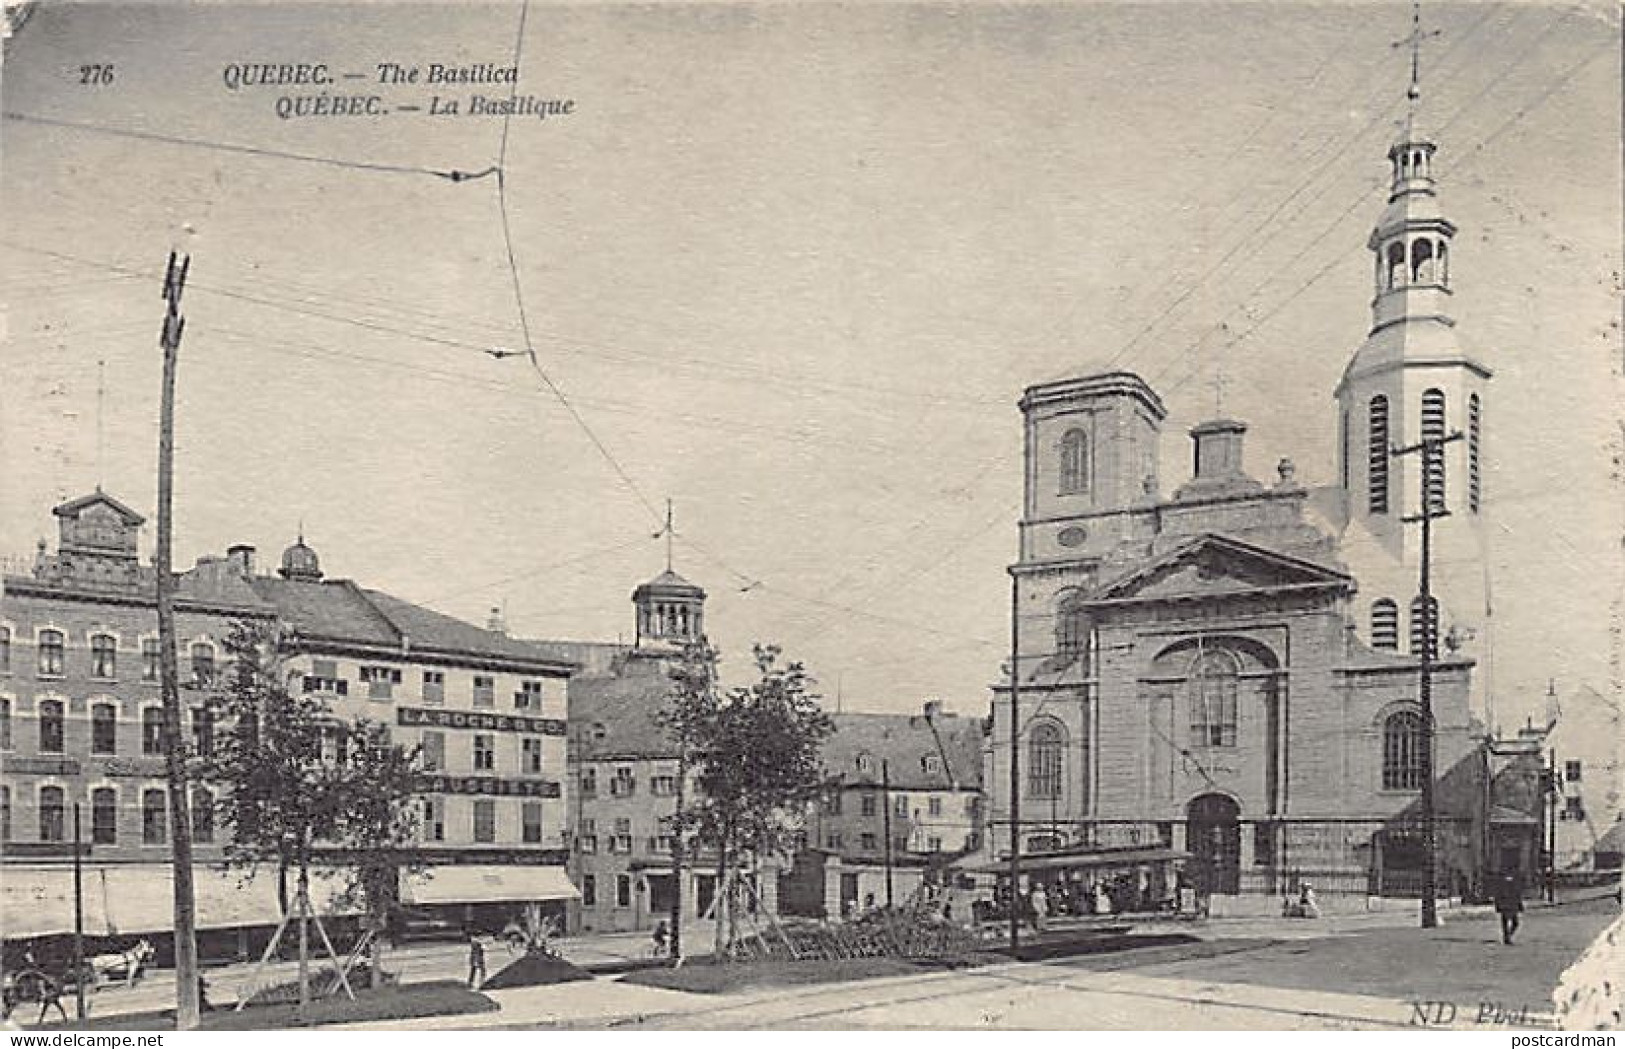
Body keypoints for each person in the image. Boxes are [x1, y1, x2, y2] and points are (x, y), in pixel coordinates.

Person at [1493, 871, 1524, 945]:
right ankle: (1507, 938)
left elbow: (1518, 896)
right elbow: (1497, 897)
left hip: (1511, 906)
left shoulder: (1514, 885)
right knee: (1508, 924)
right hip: (1506, 907)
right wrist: (1498, 907)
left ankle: (1507, 937)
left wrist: (1520, 906)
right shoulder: (1501, 886)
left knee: (1513, 923)